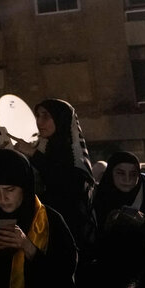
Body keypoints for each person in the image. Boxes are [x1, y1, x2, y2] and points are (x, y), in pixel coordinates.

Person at [0, 148, 77, 288]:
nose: (2, 198)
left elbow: (63, 277)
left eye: (10, 190)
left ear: (24, 187)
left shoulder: (50, 220)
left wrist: (28, 246)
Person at [29, 98, 96, 249]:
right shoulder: (44, 149)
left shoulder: (72, 154)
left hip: (73, 233)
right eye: (38, 115)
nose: (39, 121)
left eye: (46, 116)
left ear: (61, 119)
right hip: (45, 229)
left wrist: (34, 155)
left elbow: (66, 183)